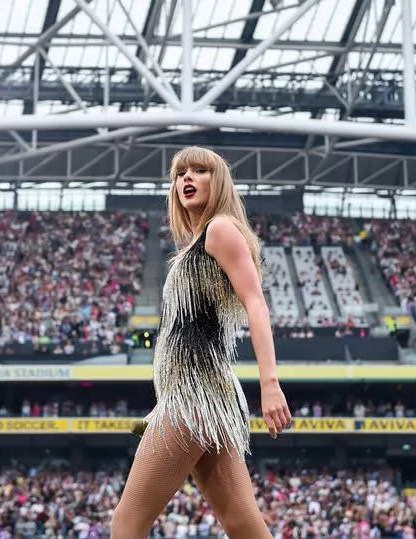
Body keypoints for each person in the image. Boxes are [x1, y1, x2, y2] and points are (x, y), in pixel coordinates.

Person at [113, 146, 292, 538]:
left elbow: (256, 304)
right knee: (243, 526)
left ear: (219, 180)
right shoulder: (195, 245)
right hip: (201, 398)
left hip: (195, 399)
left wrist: (270, 383)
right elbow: (189, 337)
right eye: (180, 173)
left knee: (126, 522)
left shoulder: (220, 229)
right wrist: (161, 406)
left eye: (199, 170)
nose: (186, 179)